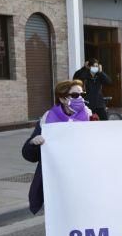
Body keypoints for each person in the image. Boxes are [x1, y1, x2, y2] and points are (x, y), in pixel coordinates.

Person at [22, 80, 91, 214]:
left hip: (81, 181)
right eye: (75, 95)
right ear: (62, 98)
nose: (81, 98)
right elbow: (28, 155)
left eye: (82, 94)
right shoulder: (48, 120)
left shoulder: (89, 117)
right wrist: (33, 143)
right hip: (56, 182)